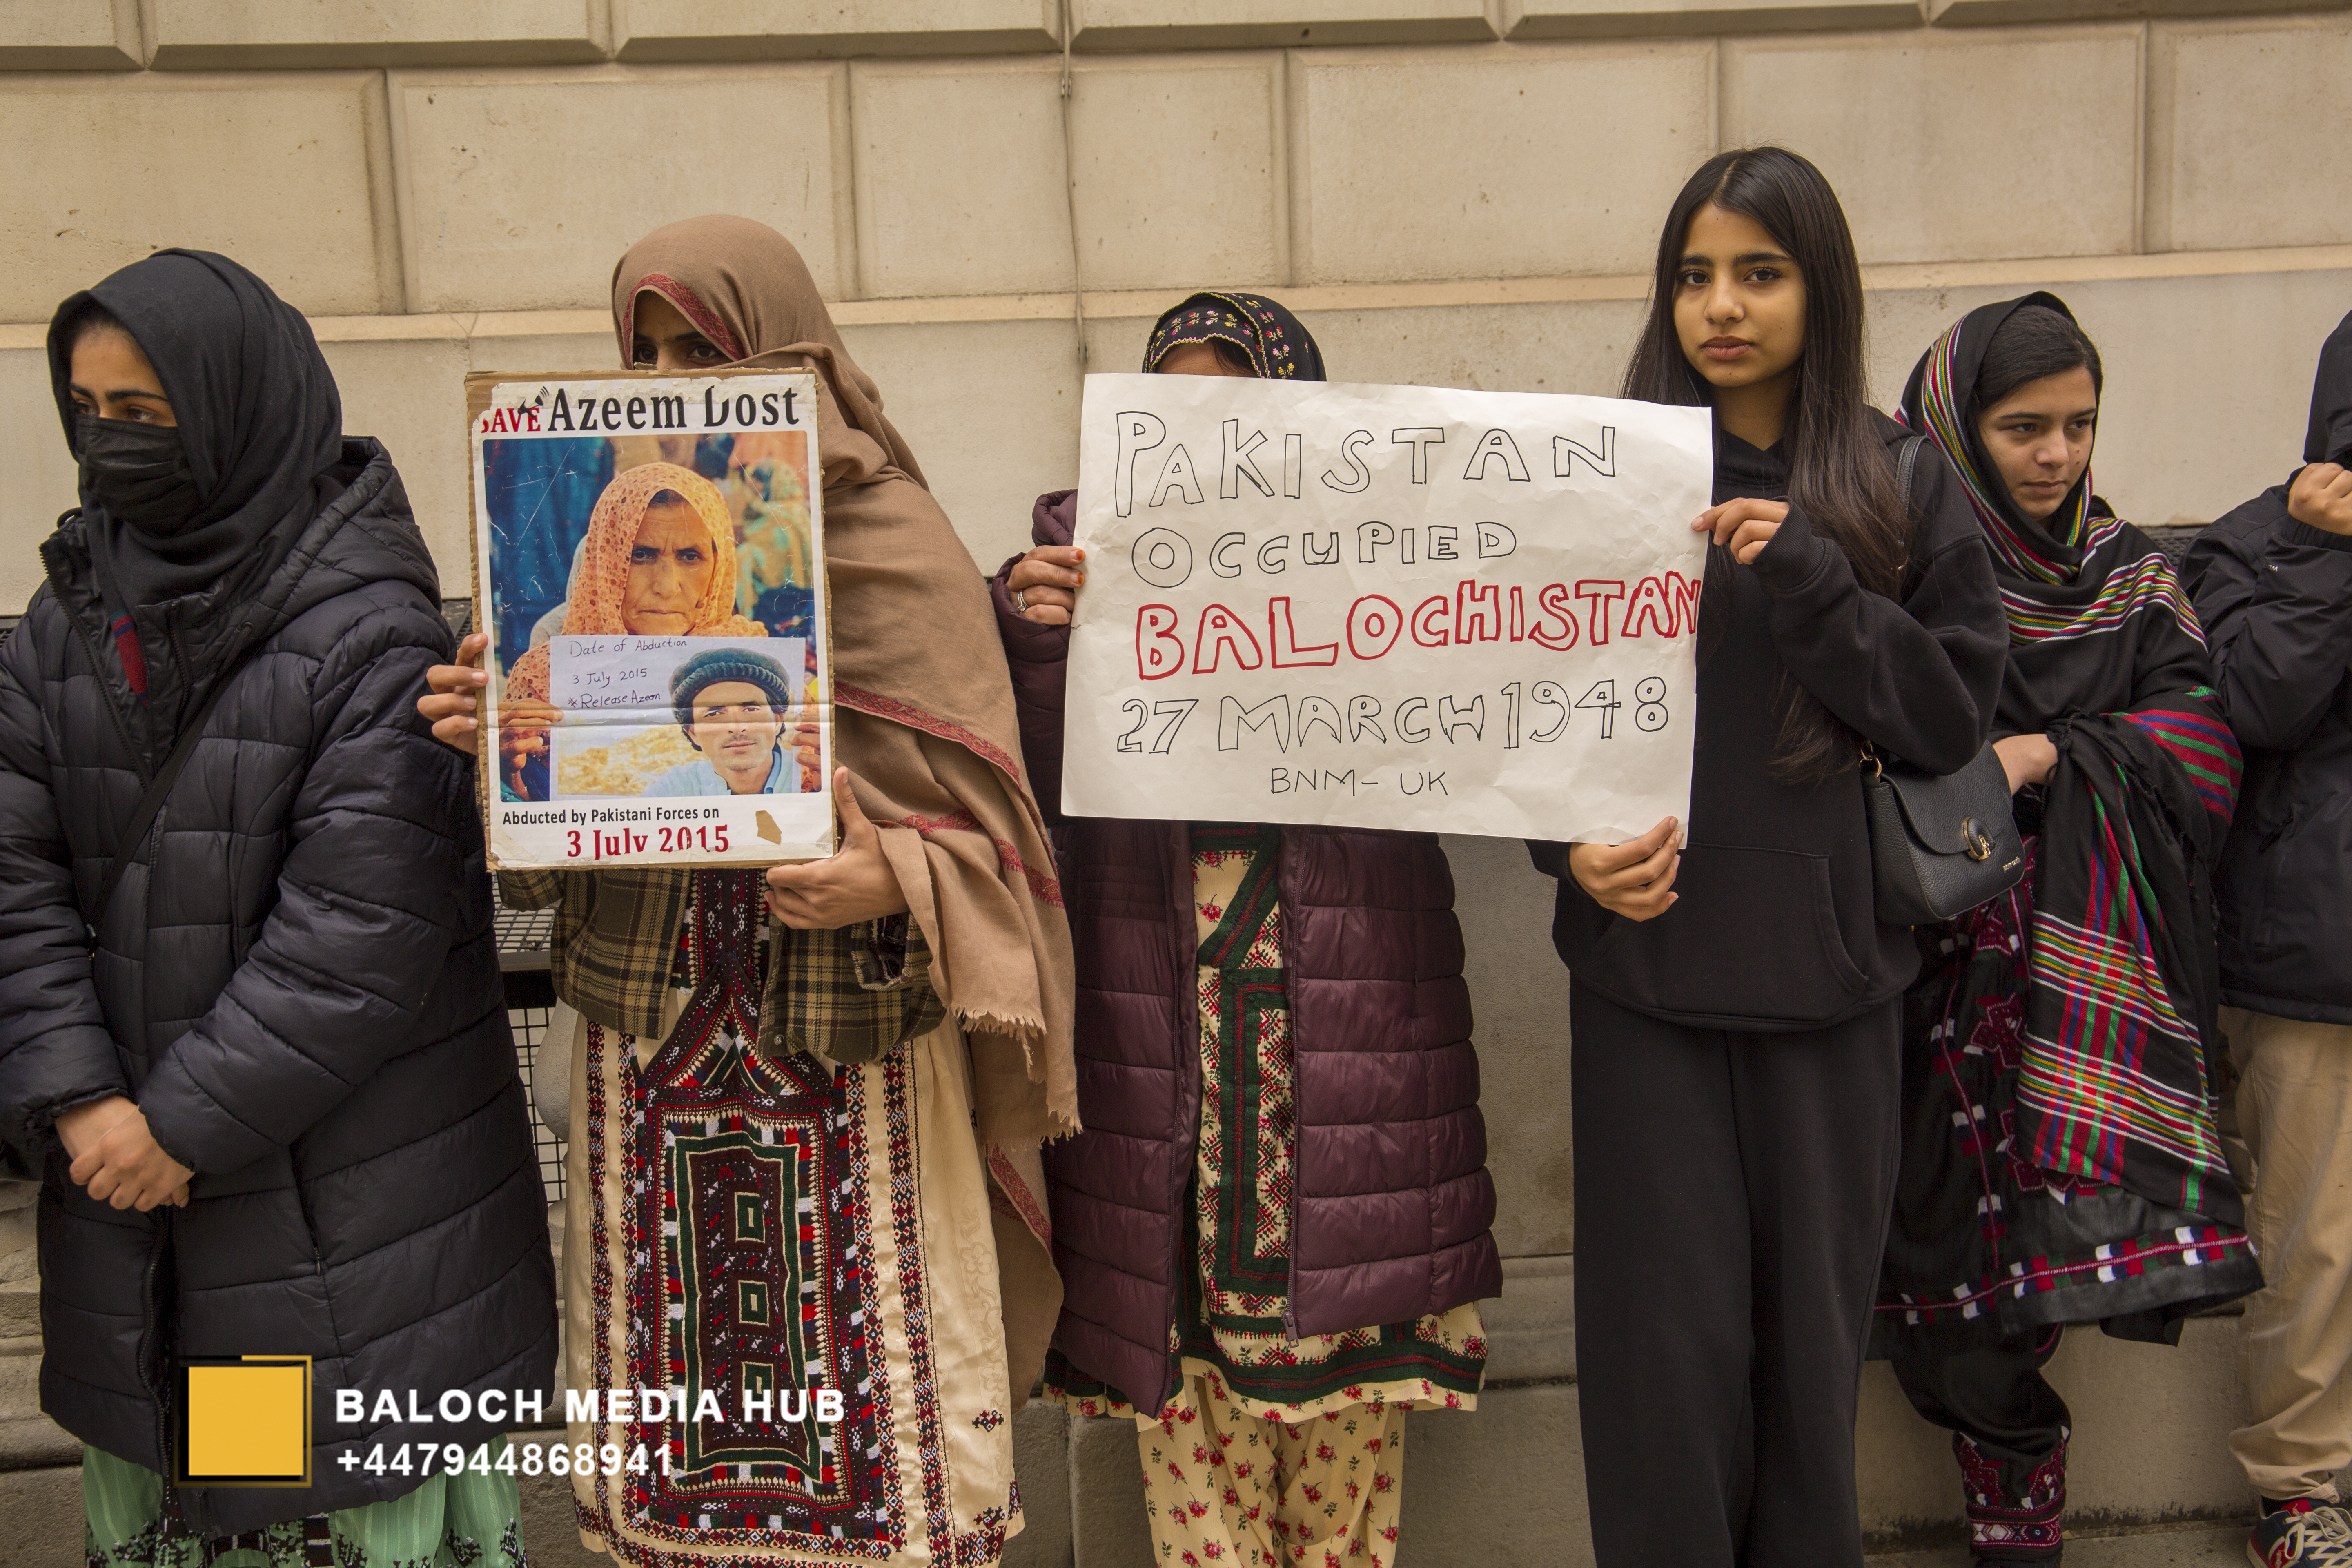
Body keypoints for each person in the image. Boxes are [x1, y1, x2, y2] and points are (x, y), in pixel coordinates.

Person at [418, 215, 1076, 1568]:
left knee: (876, 1423)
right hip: (650, 1059)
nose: (668, 372)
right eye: (644, 347)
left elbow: (997, 835)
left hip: (853, 1070)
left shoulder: (897, 541)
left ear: (783, 348)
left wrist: (885, 873)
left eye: (703, 346)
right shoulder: (587, 578)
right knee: (668, 1412)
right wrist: (513, 748)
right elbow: (557, 841)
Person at [0, 252, 554, 1564]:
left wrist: (176, 1126)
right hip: (133, 1209)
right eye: (87, 411)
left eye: (144, 411)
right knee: (189, 1480)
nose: (110, 443)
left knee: (294, 1497)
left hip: (322, 1228)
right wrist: (81, 1102)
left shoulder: (370, 629)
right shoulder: (61, 617)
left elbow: (357, 937)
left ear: (238, 402)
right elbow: (13, 880)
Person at [1526, 147, 2008, 1567]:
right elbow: (1505, 709)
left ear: (1821, 286)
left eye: (1759, 271)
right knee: (1658, 1385)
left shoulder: (1900, 475)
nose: (1720, 305)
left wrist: (1811, 577)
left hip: (1834, 988)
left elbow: (1948, 716)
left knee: (1809, 1378)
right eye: (1694, 274)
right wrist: (1566, 852)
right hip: (1645, 985)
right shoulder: (1593, 472)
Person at [996, 290, 1496, 1568]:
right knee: (1192, 1407)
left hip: (1347, 1034)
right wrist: (1038, 639)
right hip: (1170, 1055)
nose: (1204, 424)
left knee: (1345, 1438)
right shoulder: (1082, 562)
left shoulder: (1381, 552)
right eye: (1174, 396)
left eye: (1239, 395)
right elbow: (1032, 792)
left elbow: (1483, 726)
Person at [1875, 296, 2258, 1566]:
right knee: (1928, 1257)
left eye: (2078, 425)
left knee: (2042, 1259)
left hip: (2088, 975)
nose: (2055, 453)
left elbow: (2205, 746)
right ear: (1955, 429)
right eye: (2022, 425)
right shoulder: (1903, 571)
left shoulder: (2135, 574)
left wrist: (2047, 753)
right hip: (1919, 976)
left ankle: (2019, 1513)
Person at [2184, 307, 2352, 1568]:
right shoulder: (2257, 542)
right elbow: (2255, 701)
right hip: (2313, 967)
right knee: (2319, 1241)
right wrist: (2331, 551)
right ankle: (2302, 1494)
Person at [493, 461, 763, 800]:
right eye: (641, 555)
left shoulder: (758, 664)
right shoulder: (542, 678)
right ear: (606, 565)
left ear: (718, 569)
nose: (666, 586)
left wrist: (813, 770)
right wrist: (505, 773)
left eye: (690, 556)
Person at [645, 646, 802, 797]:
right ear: (693, 733)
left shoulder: (808, 775)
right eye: (715, 714)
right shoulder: (674, 788)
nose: (737, 727)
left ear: (777, 721)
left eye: (750, 710)